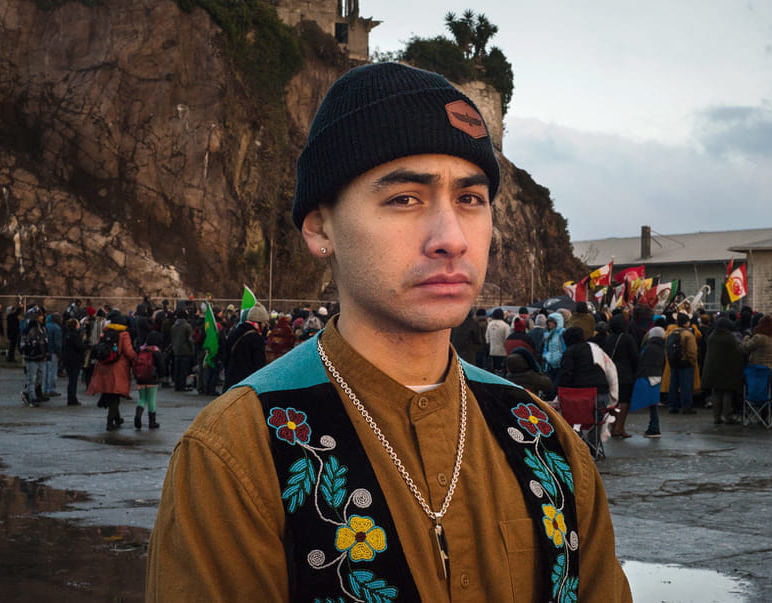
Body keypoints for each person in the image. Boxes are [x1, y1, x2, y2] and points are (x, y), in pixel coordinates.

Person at [147, 62, 630, 602]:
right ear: (320, 226)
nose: (451, 238)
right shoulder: (240, 451)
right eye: (405, 199)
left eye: (470, 199)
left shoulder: (544, 437)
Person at [87, 313, 137, 430]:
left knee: (111, 393)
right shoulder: (123, 334)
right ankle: (110, 421)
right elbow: (129, 352)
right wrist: (136, 358)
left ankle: (117, 418)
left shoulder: (105, 332)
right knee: (115, 395)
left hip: (104, 365)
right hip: (118, 367)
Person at [701, 318, 747, 425]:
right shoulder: (729, 338)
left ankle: (716, 417)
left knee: (716, 393)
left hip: (712, 370)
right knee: (727, 393)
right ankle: (728, 416)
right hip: (727, 371)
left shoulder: (711, 337)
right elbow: (737, 353)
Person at [602, 313, 639, 438]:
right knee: (624, 401)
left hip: (610, 372)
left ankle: (613, 427)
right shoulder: (628, 338)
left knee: (614, 401)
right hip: (625, 373)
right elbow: (634, 357)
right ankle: (620, 427)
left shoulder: (608, 338)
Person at [222, 303, 268, 391]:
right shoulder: (256, 338)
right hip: (247, 384)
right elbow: (259, 365)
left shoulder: (233, 333)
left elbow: (225, 357)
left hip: (230, 382)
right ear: (260, 322)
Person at [634, 326, 667, 437]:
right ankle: (653, 427)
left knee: (652, 403)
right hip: (657, 374)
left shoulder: (649, 347)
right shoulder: (661, 346)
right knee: (653, 402)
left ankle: (654, 428)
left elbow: (641, 360)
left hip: (647, 374)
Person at [666, 313, 698, 414]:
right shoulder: (688, 334)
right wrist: (692, 362)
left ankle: (672, 406)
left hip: (674, 362)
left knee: (673, 385)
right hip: (685, 363)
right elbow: (692, 351)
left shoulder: (671, 333)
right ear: (687, 323)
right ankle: (686, 406)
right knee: (686, 386)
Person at [134, 331, 166, 429]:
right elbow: (161, 367)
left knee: (142, 398)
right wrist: (162, 376)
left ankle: (138, 416)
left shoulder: (141, 350)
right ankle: (152, 422)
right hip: (152, 379)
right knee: (151, 399)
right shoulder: (156, 352)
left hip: (140, 378)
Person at [61, 318, 86, 405]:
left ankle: (71, 397)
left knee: (71, 380)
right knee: (73, 381)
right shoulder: (74, 335)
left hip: (69, 360)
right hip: (74, 360)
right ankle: (72, 398)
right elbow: (80, 347)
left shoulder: (68, 334)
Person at [485, 307, 510, 374]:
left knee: (494, 369)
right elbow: (507, 339)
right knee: (501, 370)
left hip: (492, 351)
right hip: (502, 351)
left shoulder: (489, 324)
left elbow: (487, 338)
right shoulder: (506, 326)